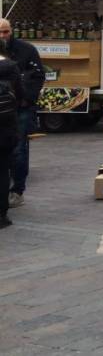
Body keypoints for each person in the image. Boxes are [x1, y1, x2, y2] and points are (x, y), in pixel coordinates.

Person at [0, 18, 43, 210]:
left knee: (18, 149)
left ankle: (17, 190)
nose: (3, 35)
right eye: (0, 32)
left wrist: (26, 99)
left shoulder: (26, 49)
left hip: (21, 108)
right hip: (4, 108)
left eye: (6, 31)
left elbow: (38, 76)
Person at [0, 38, 23, 228]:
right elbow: (21, 95)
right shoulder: (12, 68)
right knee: (3, 170)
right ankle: (1, 215)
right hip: (6, 127)